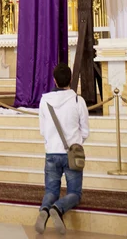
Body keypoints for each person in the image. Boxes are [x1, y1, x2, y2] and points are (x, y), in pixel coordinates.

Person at [35, 63, 89, 235]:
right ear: (72, 80)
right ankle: (58, 208)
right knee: (75, 193)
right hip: (72, 153)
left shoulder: (44, 100)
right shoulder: (77, 100)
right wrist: (76, 142)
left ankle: (44, 210)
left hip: (51, 151)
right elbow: (85, 131)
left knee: (51, 190)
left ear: (54, 80)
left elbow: (43, 130)